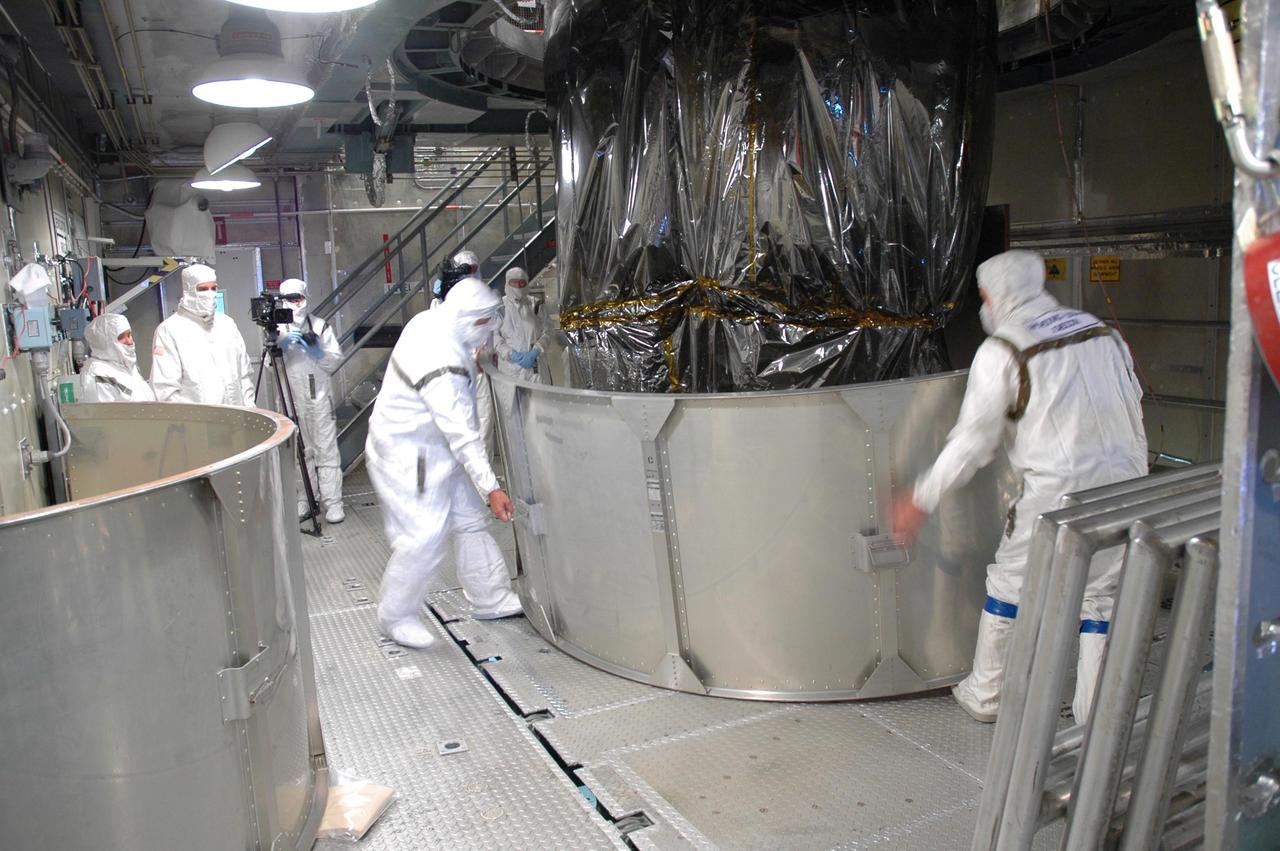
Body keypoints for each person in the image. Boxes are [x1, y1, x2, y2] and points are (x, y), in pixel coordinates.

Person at [892, 250, 1147, 726]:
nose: (983, 305)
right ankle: (1097, 714)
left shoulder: (1004, 350)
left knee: (1008, 584)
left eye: (984, 296)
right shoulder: (1100, 330)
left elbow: (973, 444)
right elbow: (1134, 402)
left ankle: (987, 694)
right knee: (1102, 596)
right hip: (1126, 480)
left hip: (1057, 490)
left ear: (996, 295)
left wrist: (921, 497)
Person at [367, 277, 523, 648]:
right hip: (410, 455)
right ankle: (395, 615)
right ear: (471, 320)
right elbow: (463, 433)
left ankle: (491, 598)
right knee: (424, 535)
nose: (489, 332)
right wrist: (492, 487)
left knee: (469, 519)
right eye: (485, 324)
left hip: (434, 448)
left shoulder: (431, 321)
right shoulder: (444, 362)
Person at [276, 278, 346, 524]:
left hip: (318, 398)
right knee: (299, 452)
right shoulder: (276, 330)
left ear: (306, 298)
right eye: (289, 299)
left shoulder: (320, 326)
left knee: (325, 449)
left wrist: (316, 350)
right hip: (290, 400)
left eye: (299, 298)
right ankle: (305, 497)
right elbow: (268, 364)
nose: (295, 304)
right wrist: (281, 344)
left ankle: (333, 502)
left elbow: (335, 361)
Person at [151, 264, 255, 406]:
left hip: (237, 420)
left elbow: (244, 374)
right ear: (188, 290)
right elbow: (165, 389)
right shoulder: (170, 330)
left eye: (214, 288)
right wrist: (193, 423)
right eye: (203, 289)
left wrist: (249, 409)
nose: (210, 294)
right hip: (198, 424)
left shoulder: (227, 325)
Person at [78, 313, 156, 402]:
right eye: (121, 337)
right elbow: (105, 413)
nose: (129, 341)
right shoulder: (99, 373)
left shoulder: (125, 367)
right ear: (104, 342)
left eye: (129, 335)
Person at [495, 267, 543, 382]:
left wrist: (536, 350)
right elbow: (494, 337)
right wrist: (511, 354)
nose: (518, 286)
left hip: (535, 366)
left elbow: (548, 331)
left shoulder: (536, 304)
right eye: (514, 282)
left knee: (539, 398)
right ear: (507, 283)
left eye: (522, 282)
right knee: (514, 399)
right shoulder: (500, 307)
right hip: (510, 369)